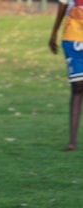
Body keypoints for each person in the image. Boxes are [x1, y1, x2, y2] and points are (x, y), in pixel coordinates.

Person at [49, 0, 83, 151]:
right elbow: (63, 5)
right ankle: (72, 141)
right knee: (77, 86)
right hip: (73, 36)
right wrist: (54, 32)